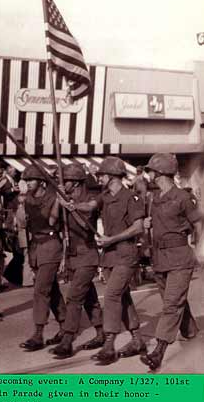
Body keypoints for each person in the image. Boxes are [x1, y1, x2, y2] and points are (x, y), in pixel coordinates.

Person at [140, 153, 202, 370]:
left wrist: (200, 249)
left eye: (150, 170)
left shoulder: (182, 197)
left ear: (159, 173)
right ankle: (190, 330)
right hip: (160, 258)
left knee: (170, 304)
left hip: (179, 257)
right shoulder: (153, 198)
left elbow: (198, 225)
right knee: (174, 300)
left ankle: (158, 352)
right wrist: (147, 226)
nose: (147, 174)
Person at [92, 156, 146, 364]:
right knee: (123, 298)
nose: (100, 178)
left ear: (113, 176)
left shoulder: (131, 198)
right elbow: (89, 205)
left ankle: (109, 344)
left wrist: (111, 239)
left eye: (102, 175)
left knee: (112, 295)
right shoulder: (104, 197)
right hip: (109, 256)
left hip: (125, 253)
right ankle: (138, 340)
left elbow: (138, 227)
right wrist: (72, 205)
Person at [50, 163, 104, 359]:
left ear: (77, 183)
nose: (63, 184)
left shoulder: (91, 198)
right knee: (89, 297)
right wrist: (59, 200)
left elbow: (85, 223)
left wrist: (71, 206)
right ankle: (101, 333)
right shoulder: (65, 198)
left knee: (74, 297)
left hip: (87, 254)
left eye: (66, 182)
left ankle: (67, 339)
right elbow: (52, 221)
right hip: (73, 256)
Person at [19, 164, 66, 351]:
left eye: (31, 180)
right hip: (36, 248)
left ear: (41, 181)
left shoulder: (53, 196)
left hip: (51, 246)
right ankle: (65, 325)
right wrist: (21, 203)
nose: (28, 183)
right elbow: (23, 223)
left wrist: (58, 198)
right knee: (51, 289)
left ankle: (38, 333)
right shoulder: (28, 199)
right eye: (26, 180)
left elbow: (51, 220)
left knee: (40, 290)